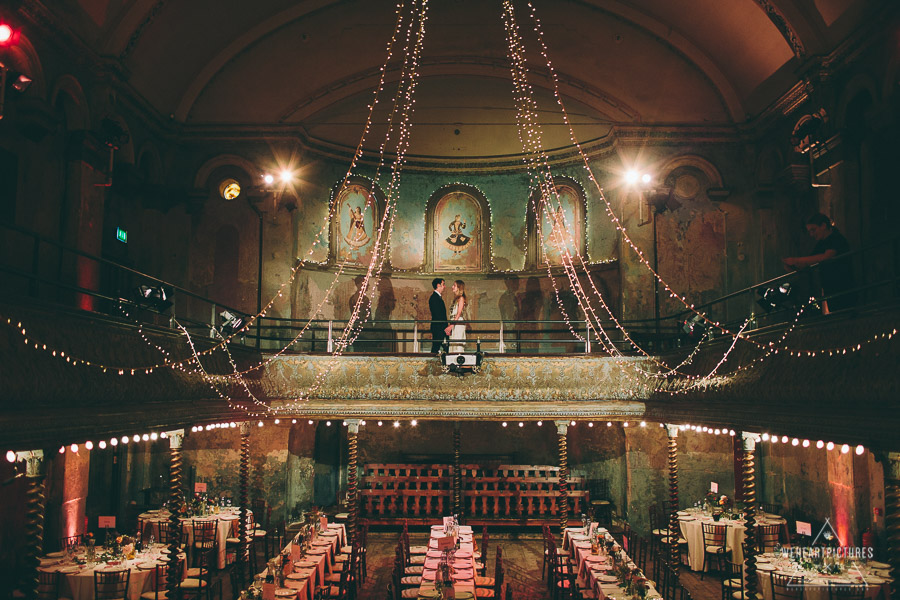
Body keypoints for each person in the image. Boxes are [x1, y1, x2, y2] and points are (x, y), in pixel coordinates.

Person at [782, 213, 854, 313]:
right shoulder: (821, 244)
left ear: (823, 226)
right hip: (829, 287)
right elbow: (811, 261)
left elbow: (826, 257)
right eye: (809, 231)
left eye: (813, 230)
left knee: (844, 315)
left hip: (843, 286)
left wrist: (796, 261)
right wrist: (794, 267)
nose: (811, 234)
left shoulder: (836, 238)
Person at [447, 280, 468, 353]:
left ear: (459, 288)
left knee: (457, 344)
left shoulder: (461, 298)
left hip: (458, 323)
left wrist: (451, 325)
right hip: (454, 322)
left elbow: (459, 313)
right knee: (453, 343)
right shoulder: (456, 299)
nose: (452, 287)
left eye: (454, 285)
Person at [428, 278, 448, 354]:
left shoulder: (436, 297)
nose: (444, 286)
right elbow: (438, 314)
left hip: (439, 326)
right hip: (438, 327)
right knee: (436, 347)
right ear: (438, 285)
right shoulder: (434, 298)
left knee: (438, 346)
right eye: (443, 284)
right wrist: (445, 327)